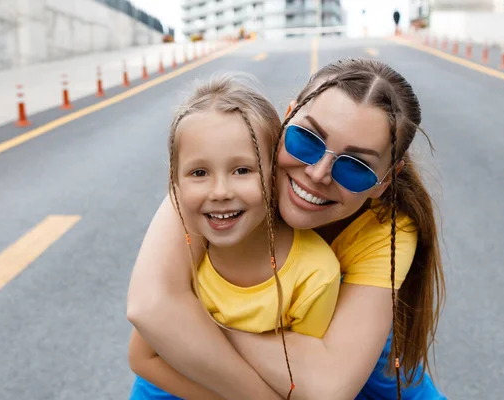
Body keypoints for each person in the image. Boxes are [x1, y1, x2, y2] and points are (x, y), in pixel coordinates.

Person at [127, 58, 446, 399]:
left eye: (355, 166)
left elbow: (330, 386)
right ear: (288, 118)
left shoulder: (386, 227)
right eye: (306, 140)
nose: (318, 173)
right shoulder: (227, 177)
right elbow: (150, 309)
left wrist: (203, 317)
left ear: (386, 180)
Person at [128, 76, 341, 399]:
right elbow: (142, 358)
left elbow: (298, 382)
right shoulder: (185, 251)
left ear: (274, 176)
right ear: (176, 185)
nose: (220, 192)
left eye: (242, 170)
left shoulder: (315, 274)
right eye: (199, 173)